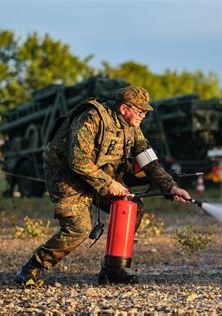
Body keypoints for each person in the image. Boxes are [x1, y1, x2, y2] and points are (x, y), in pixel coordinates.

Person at [14, 86, 191, 285]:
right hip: (67, 177)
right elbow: (78, 161)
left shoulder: (133, 128)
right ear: (124, 108)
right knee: (78, 228)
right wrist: (109, 184)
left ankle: (113, 270)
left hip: (100, 177)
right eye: (140, 111)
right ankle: (31, 269)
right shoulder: (92, 118)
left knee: (132, 208)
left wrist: (171, 187)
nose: (144, 115)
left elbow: (149, 161)